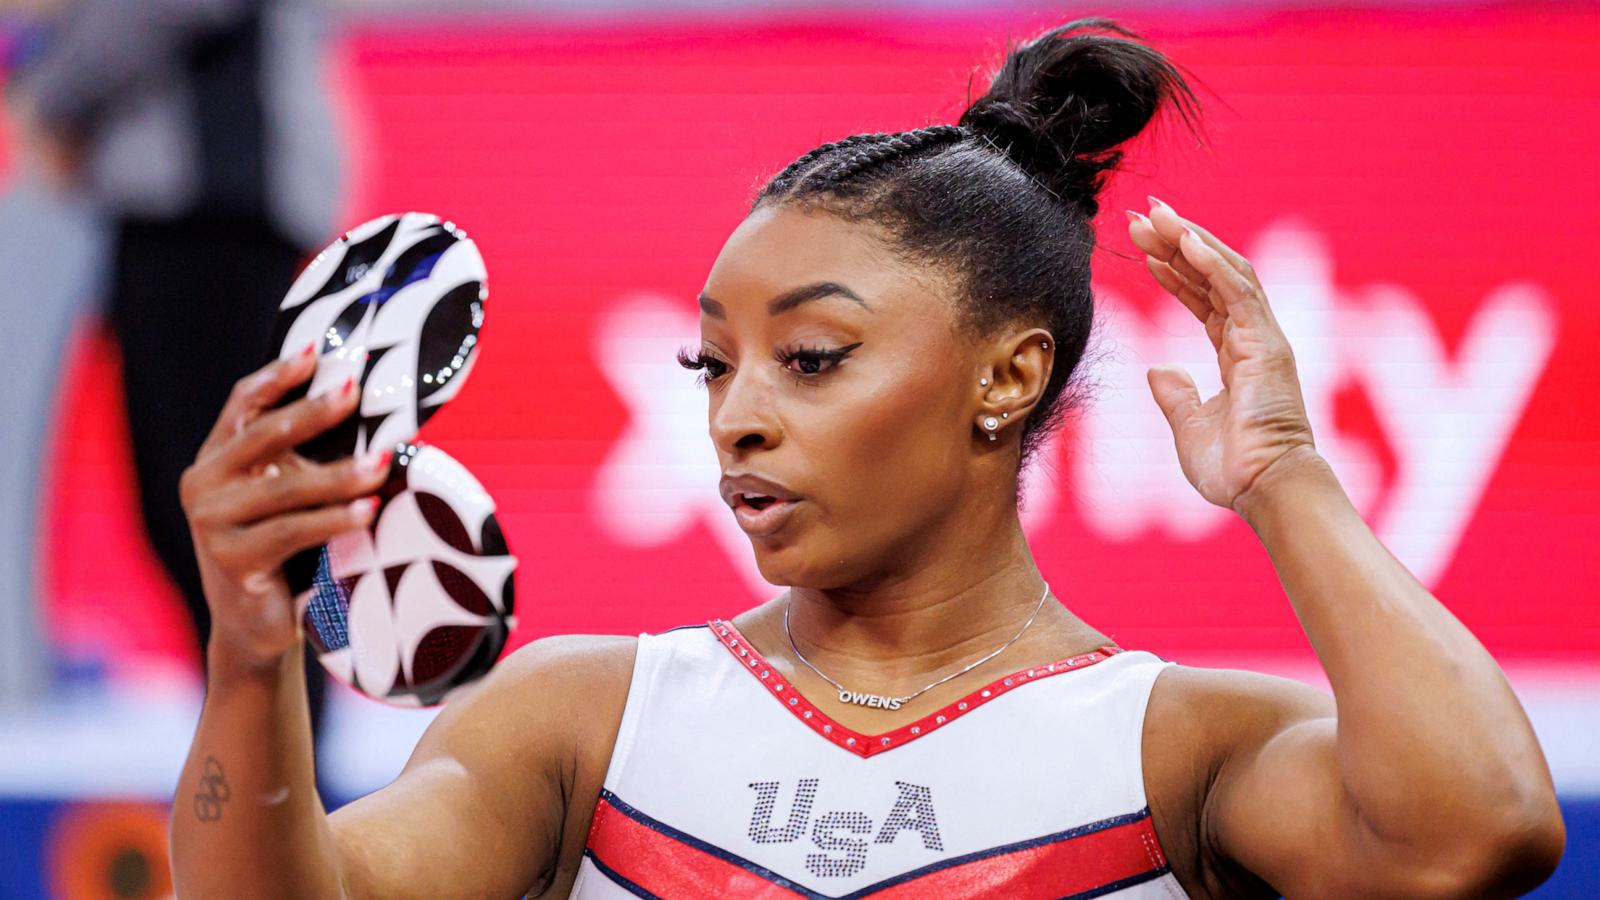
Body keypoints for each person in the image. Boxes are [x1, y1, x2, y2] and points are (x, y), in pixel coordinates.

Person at [167, 19, 1565, 899]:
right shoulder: (578, 720)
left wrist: (1282, 474)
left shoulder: (1184, 748)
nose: (736, 416)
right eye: (711, 363)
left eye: (811, 359)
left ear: (1007, 377)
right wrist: (249, 650)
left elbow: (1477, 833)